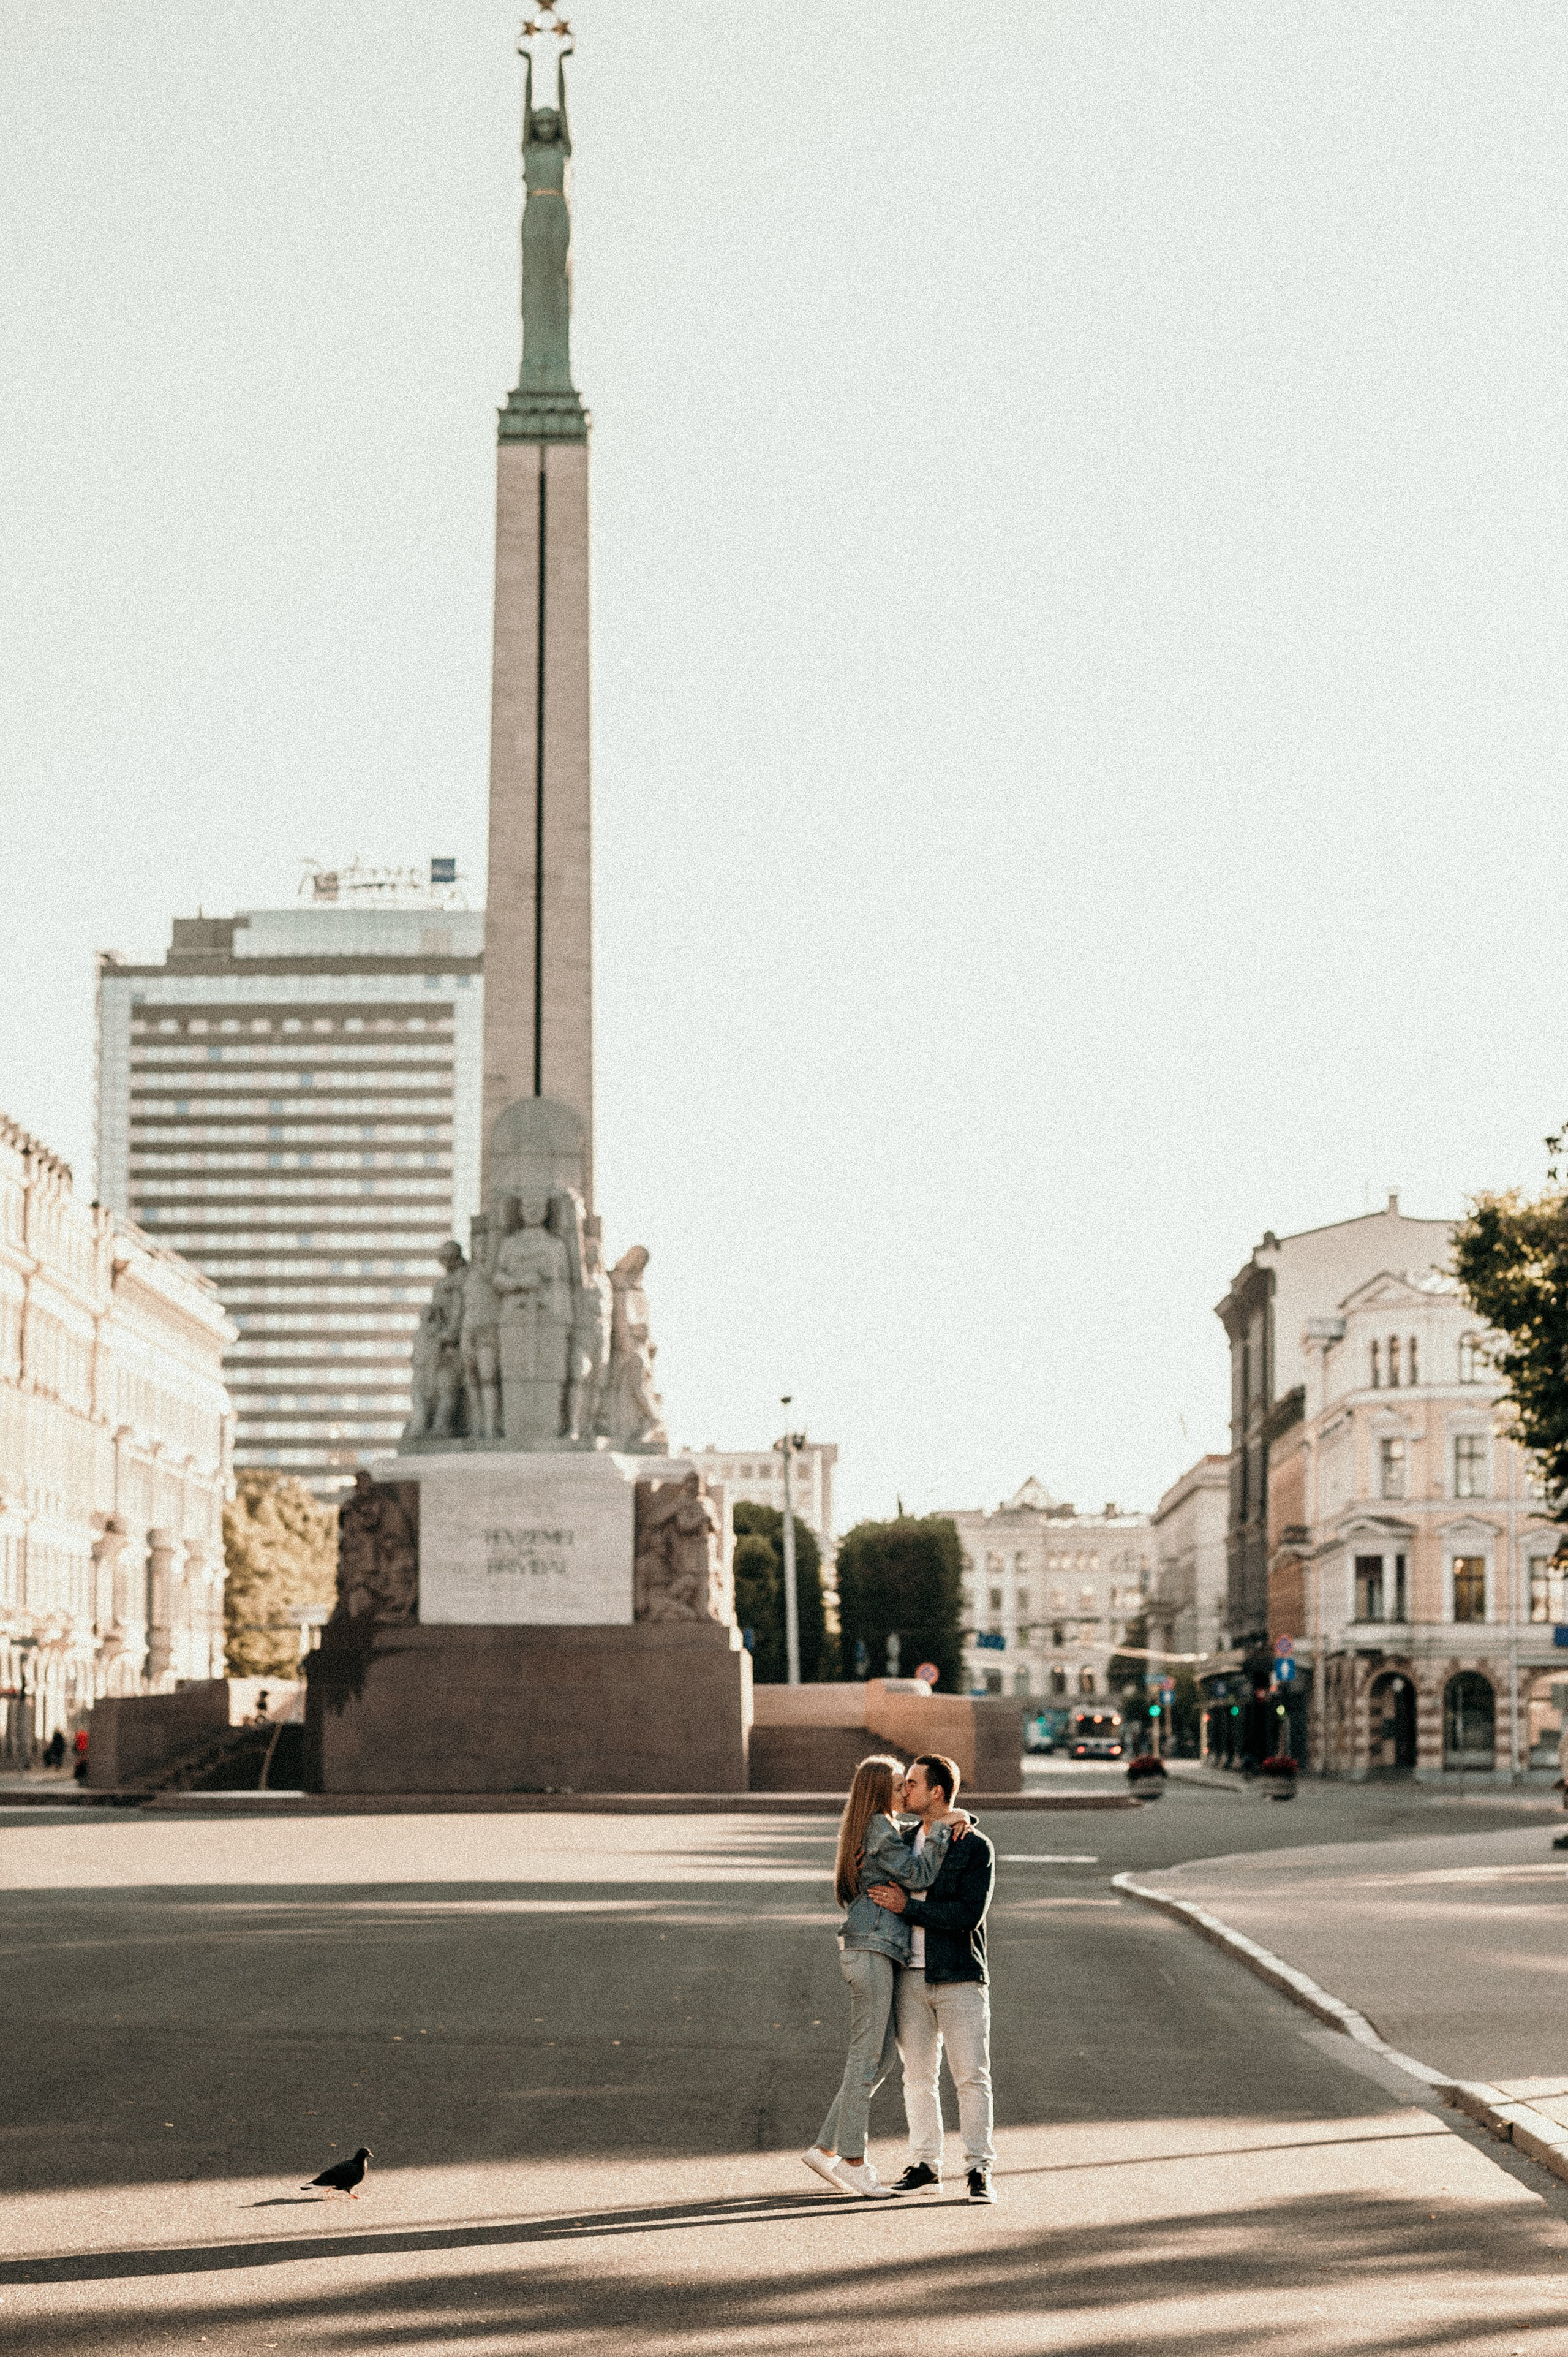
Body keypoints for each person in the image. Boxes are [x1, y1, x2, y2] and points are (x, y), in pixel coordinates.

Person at [802, 1754, 967, 2198]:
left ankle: (825, 2147)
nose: (904, 1792)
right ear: (879, 1791)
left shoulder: (879, 1828)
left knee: (880, 2060)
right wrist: (939, 1833)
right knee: (865, 2058)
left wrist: (952, 1819)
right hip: (871, 1949)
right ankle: (854, 2161)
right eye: (898, 1785)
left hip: (874, 1949)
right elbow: (920, 1873)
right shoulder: (879, 1825)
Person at [868, 1750, 998, 2203]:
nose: (905, 1790)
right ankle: (926, 2164)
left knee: (971, 2076)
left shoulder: (973, 1845)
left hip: (959, 1974)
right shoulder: (901, 1841)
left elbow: (968, 1915)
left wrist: (912, 1908)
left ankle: (979, 2169)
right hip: (910, 1976)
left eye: (912, 1783)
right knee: (918, 2076)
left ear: (936, 1791)